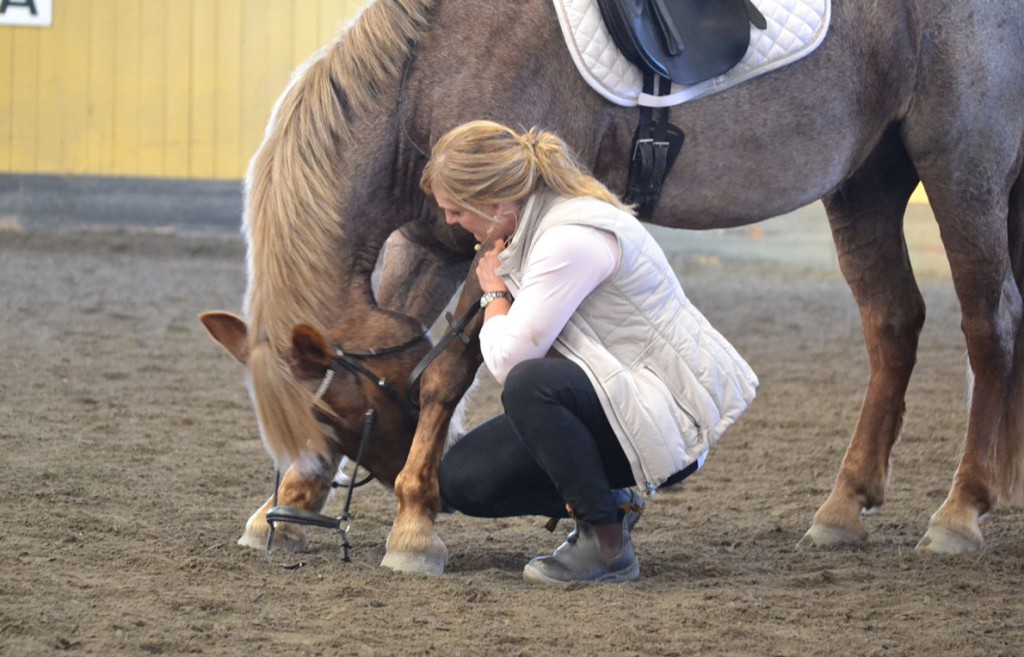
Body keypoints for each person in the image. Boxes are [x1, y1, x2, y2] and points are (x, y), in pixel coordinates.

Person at [420, 120, 758, 585]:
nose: (451, 223)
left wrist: (493, 292)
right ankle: (613, 501)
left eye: (456, 212)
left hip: (665, 415)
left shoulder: (567, 239)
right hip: (618, 395)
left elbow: (510, 361)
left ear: (495, 206)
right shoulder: (537, 223)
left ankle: (605, 543)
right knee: (462, 479)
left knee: (528, 385)